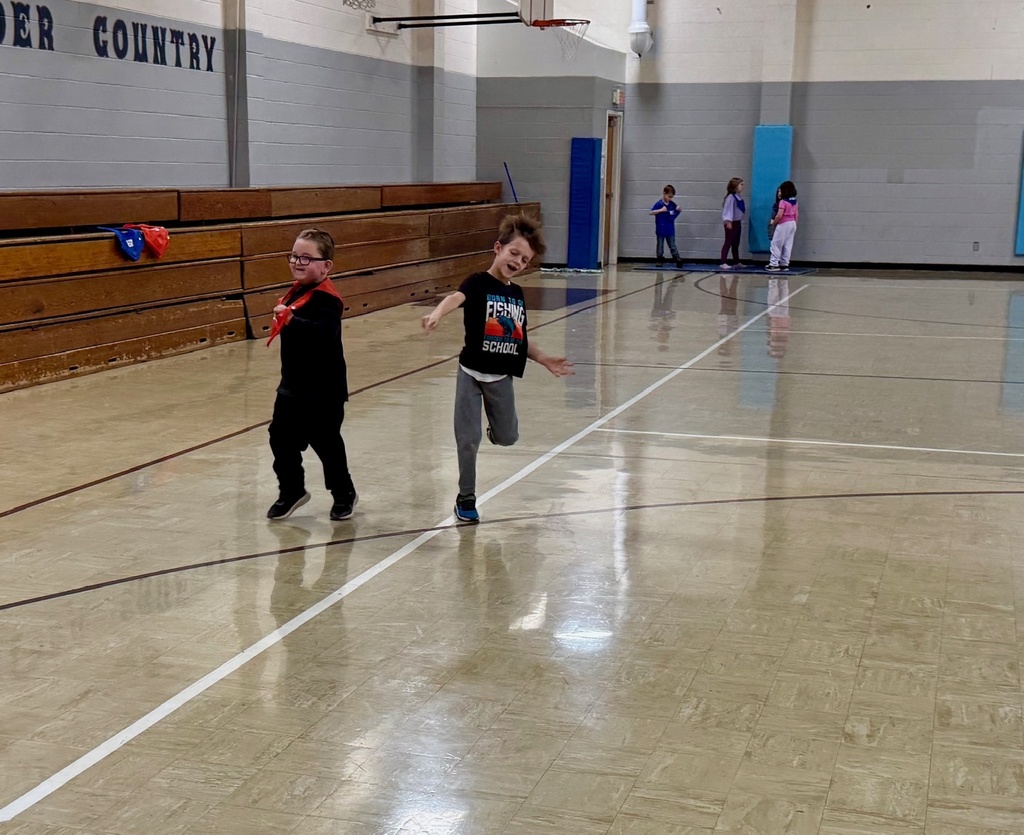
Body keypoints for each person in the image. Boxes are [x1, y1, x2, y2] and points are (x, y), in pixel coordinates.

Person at [421, 214, 574, 523]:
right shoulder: (477, 283)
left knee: (508, 437)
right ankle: (466, 498)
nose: (517, 261)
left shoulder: (516, 295)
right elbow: (455, 298)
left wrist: (544, 358)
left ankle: (496, 430)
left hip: (500, 377)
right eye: (513, 253)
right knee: (467, 440)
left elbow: (520, 339)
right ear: (498, 248)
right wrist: (437, 313)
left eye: (525, 259)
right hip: (470, 373)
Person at [265, 229, 357, 521]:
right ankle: (292, 490)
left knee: (326, 443)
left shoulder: (327, 300)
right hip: (293, 384)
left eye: (307, 257)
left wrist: (292, 320)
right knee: (279, 438)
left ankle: (344, 493)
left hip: (324, 389)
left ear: (326, 265)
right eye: (294, 256)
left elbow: (324, 334)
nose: (298, 262)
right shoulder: (296, 290)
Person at [766, 181, 799, 272]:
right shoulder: (794, 201)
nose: (778, 193)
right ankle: (784, 264)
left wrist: (774, 223)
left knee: (776, 244)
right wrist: (795, 224)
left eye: (780, 191)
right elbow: (796, 214)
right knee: (788, 244)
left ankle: (773, 264)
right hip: (792, 223)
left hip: (783, 224)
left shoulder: (783, 202)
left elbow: (779, 215)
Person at [649, 185, 683, 268]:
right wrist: (660, 210)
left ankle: (677, 258)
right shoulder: (659, 204)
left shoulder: (672, 204)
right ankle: (659, 259)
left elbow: (675, 212)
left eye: (672, 197)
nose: (670, 199)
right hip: (661, 228)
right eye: (669, 196)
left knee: (672, 244)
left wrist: (678, 209)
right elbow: (651, 212)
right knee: (660, 245)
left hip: (669, 229)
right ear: (664, 194)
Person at [719, 177, 746, 269]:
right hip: (731, 223)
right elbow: (728, 210)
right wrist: (728, 221)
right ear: (735, 186)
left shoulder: (738, 197)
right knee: (728, 242)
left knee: (736, 243)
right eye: (741, 185)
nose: (742, 187)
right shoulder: (731, 198)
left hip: (737, 222)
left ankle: (736, 261)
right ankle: (723, 262)